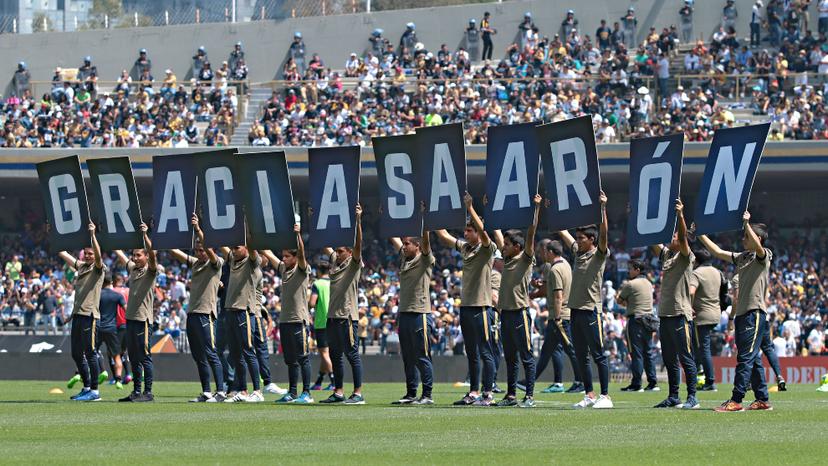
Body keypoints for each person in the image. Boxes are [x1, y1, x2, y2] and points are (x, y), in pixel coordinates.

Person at [699, 211, 774, 412]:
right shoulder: (742, 257)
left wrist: (746, 223)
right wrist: (700, 234)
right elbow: (717, 252)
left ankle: (737, 400)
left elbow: (758, 247)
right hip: (742, 314)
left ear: (756, 238)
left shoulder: (764, 255)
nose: (743, 239)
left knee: (745, 358)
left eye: (746, 236)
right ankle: (762, 399)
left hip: (754, 312)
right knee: (752, 357)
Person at [435, 193, 497, 407]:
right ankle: (473, 392)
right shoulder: (465, 248)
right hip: (467, 307)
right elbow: (444, 237)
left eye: (469, 230)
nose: (465, 233)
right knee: (472, 352)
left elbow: (485, 236)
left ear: (478, 233)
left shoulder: (487, 249)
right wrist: (432, 213)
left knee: (485, 351)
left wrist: (470, 208)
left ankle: (488, 394)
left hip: (482, 307)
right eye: (466, 230)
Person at [558, 190, 613, 409]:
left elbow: (604, 233)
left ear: (592, 240)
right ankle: (589, 394)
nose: (578, 241)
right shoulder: (579, 253)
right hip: (575, 310)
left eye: (582, 238)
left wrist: (602, 208)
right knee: (582, 355)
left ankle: (606, 396)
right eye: (578, 238)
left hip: (591, 310)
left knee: (598, 354)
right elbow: (563, 233)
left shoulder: (598, 254)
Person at [168, 214, 226, 402]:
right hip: (192, 314)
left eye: (202, 250)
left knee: (211, 352)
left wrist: (199, 230)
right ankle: (207, 391)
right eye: (197, 250)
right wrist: (161, 235)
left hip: (206, 314)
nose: (200, 253)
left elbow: (208, 250)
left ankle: (221, 391)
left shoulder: (216, 264)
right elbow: (175, 253)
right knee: (198, 356)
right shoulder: (195, 264)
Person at [491, 194, 541, 408]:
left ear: (517, 247)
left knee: (526, 356)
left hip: (520, 312)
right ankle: (511, 396)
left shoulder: (525, 258)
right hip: (506, 314)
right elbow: (496, 236)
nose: (503, 247)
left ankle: (529, 396)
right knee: (510, 357)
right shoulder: (508, 259)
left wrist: (536, 209)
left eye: (507, 244)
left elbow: (531, 234)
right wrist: (488, 211)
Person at [650, 199, 698, 409]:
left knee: (685, 357)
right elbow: (653, 243)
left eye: (675, 236)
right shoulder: (669, 255)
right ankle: (673, 396)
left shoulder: (686, 256)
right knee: (669, 359)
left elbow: (684, 239)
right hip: (665, 315)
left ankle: (692, 397)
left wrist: (680, 215)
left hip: (680, 314)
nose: (671, 238)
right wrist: (639, 221)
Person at [262, 224, 314, 404]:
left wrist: (298, 235)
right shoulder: (284, 269)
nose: (283, 259)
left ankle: (307, 393)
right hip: (284, 321)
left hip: (298, 320)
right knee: (290, 360)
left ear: (295, 257)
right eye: (282, 256)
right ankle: (292, 392)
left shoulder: (302, 268)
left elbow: (301, 253)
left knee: (303, 357)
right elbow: (268, 253)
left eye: (286, 256)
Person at [319, 204, 366, 405]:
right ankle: (338, 391)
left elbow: (358, 244)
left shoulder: (353, 265)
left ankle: (358, 393)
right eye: (336, 251)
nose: (336, 254)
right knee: (336, 355)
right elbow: (324, 244)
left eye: (340, 251)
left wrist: (358, 221)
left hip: (347, 317)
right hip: (332, 317)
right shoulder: (337, 265)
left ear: (349, 252)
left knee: (352, 355)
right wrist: (317, 220)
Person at [526, 240, 583, 394]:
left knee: (570, 349)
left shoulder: (554, 269)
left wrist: (557, 318)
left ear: (549, 251)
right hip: (561, 314)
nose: (542, 254)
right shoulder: (565, 265)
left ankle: (581, 381)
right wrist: (538, 288)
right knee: (547, 351)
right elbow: (550, 290)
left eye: (543, 251)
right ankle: (529, 381)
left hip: (559, 316)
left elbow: (558, 295)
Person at [57, 223, 105, 401]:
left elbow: (99, 256)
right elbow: (62, 253)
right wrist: (54, 234)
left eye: (91, 253)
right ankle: (86, 387)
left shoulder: (99, 269)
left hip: (90, 316)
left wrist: (93, 235)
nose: (88, 255)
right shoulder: (82, 266)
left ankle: (95, 391)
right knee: (76, 353)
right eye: (86, 253)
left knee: (90, 352)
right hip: (78, 316)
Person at [114, 223, 161, 402]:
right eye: (133, 255)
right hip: (130, 319)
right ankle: (136, 391)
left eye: (138, 255)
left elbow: (153, 254)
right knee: (133, 357)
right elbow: (120, 255)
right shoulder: (133, 269)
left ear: (146, 256)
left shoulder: (151, 270)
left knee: (145, 356)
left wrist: (145, 234)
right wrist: (105, 237)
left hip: (143, 320)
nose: (135, 258)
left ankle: (148, 393)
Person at [389, 223, 435, 405]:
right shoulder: (405, 259)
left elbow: (427, 241)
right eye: (404, 243)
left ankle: (427, 395)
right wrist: (388, 220)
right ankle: (411, 393)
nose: (404, 246)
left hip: (420, 313)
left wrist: (424, 223)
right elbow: (393, 239)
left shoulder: (424, 259)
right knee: (408, 357)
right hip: (405, 313)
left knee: (422, 356)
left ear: (417, 245)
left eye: (407, 243)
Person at [218, 237, 264, 403]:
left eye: (237, 247)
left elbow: (252, 245)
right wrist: (201, 230)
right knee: (236, 354)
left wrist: (248, 230)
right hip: (230, 311)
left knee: (248, 351)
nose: (234, 250)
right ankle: (243, 390)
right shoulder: (232, 260)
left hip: (244, 311)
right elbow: (220, 244)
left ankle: (258, 391)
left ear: (246, 248)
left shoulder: (252, 261)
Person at [732, 274, 787, 391]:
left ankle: (748, 382)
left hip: (747, 317)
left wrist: (732, 316)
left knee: (748, 350)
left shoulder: (739, 277)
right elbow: (766, 299)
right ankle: (779, 375)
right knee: (768, 349)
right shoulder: (761, 276)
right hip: (763, 316)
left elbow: (736, 299)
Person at [617, 260, 659, 392]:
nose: (628, 271)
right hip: (649, 320)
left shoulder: (630, 284)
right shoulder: (648, 283)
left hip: (635, 320)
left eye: (630, 269)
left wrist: (627, 303)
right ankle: (652, 383)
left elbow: (619, 300)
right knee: (648, 353)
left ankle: (636, 384)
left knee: (636, 353)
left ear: (637, 270)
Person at [689, 248, 726, 392]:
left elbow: (691, 291)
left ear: (697, 261)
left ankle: (710, 381)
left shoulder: (696, 273)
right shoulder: (718, 272)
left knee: (703, 349)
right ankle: (701, 376)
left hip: (702, 315)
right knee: (701, 348)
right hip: (716, 313)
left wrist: (690, 306)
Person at [97, 273, 126, 390]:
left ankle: (102, 371)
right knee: (116, 356)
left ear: (102, 283)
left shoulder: (98, 295)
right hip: (112, 328)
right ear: (112, 283)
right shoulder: (117, 296)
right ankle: (119, 379)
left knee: (92, 352)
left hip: (99, 327)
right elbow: (126, 309)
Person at [310, 261, 335, 391]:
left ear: (318, 271)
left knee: (324, 353)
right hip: (333, 321)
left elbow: (312, 303)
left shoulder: (317, 284)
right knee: (325, 354)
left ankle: (334, 381)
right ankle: (319, 382)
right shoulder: (333, 282)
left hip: (321, 322)